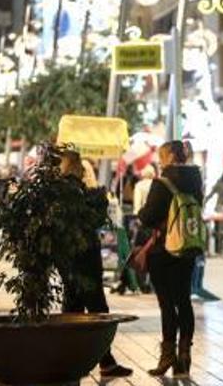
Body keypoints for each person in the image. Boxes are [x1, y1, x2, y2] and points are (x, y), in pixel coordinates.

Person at [57, 151, 133, 378]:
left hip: (68, 260)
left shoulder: (59, 192)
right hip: (85, 259)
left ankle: (72, 361)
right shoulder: (81, 192)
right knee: (99, 312)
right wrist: (94, 189)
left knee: (72, 309)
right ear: (77, 168)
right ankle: (102, 362)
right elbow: (97, 219)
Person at [138, 141, 202, 377]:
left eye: (161, 156)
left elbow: (148, 216)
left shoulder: (162, 182)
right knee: (183, 300)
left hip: (163, 249)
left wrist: (141, 213)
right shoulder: (195, 180)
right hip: (187, 247)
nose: (159, 160)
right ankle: (184, 356)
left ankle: (167, 355)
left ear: (170, 156)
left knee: (167, 304)